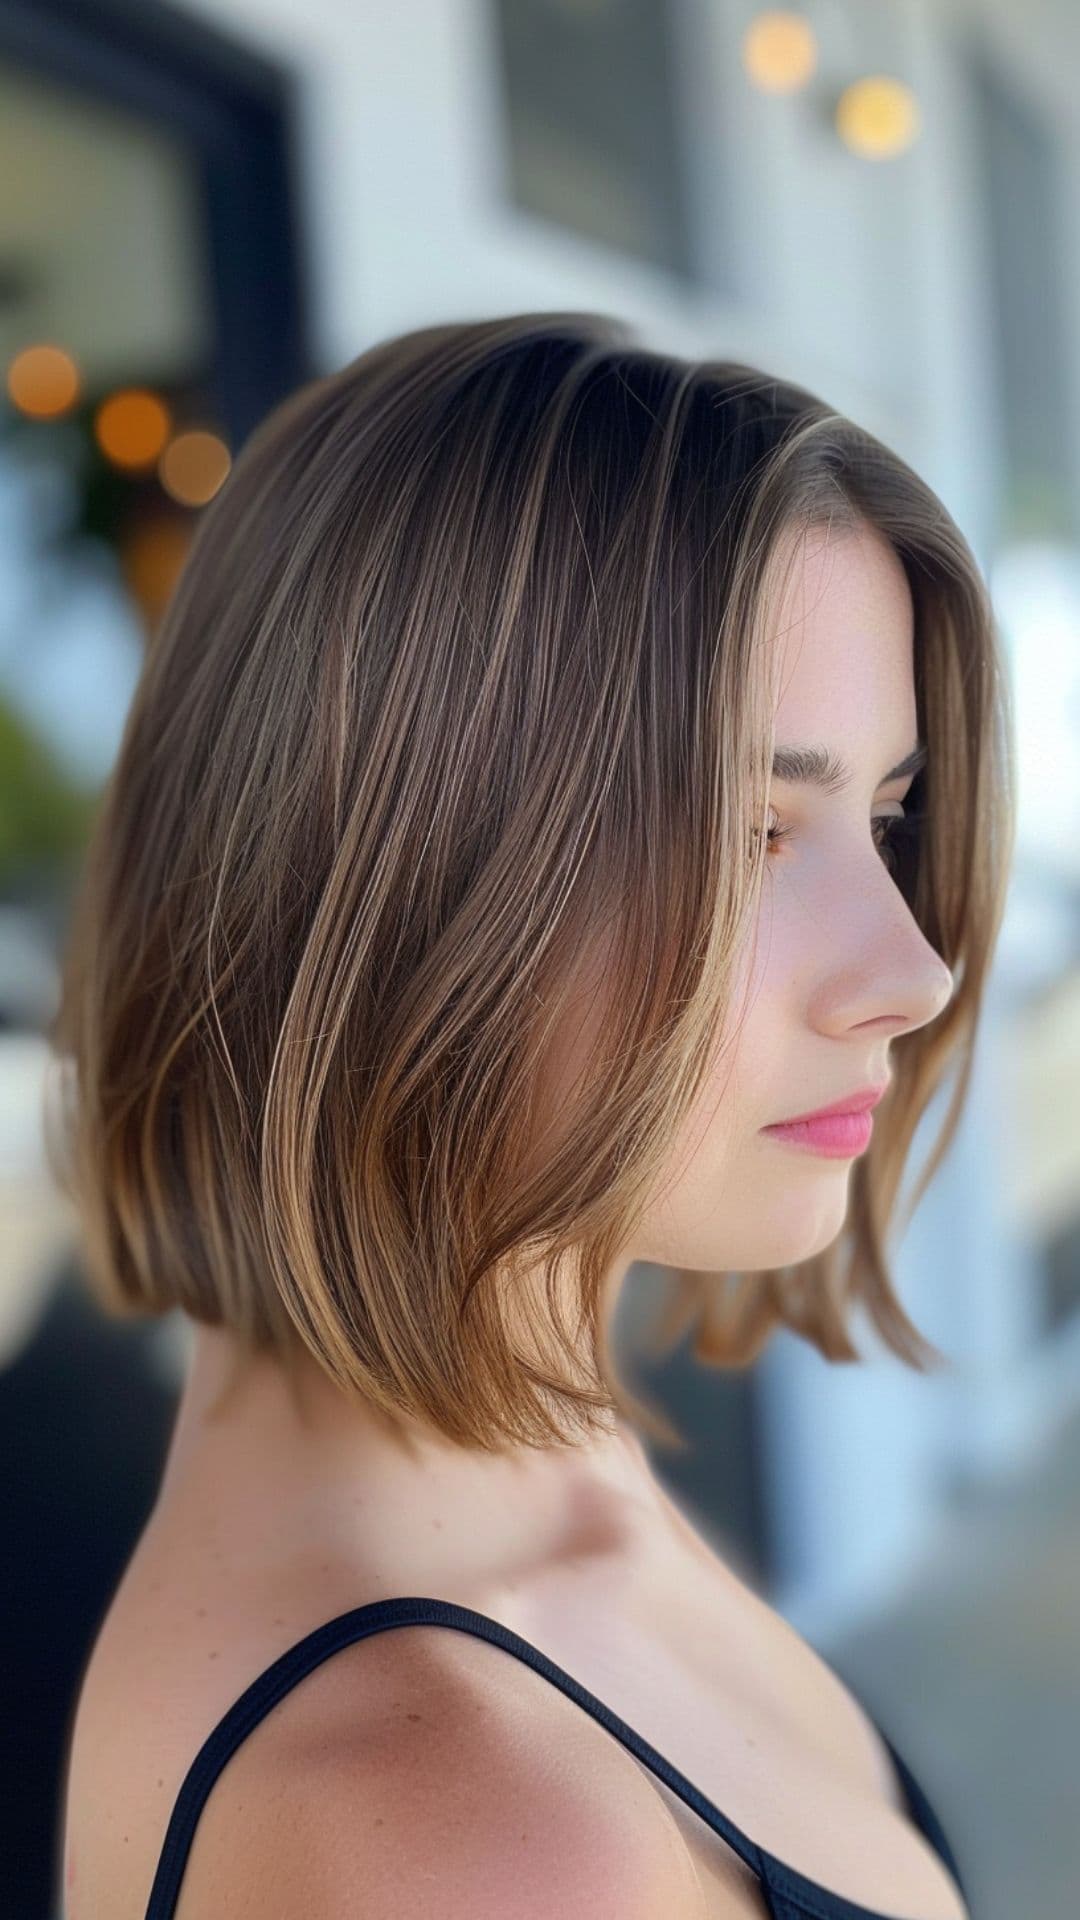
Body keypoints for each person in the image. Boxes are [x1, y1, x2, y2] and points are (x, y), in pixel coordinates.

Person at [53, 312, 1012, 1918]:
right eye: (747, 828)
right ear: (395, 864)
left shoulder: (532, 1455)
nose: (909, 971)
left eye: (888, 813)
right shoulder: (469, 1836)